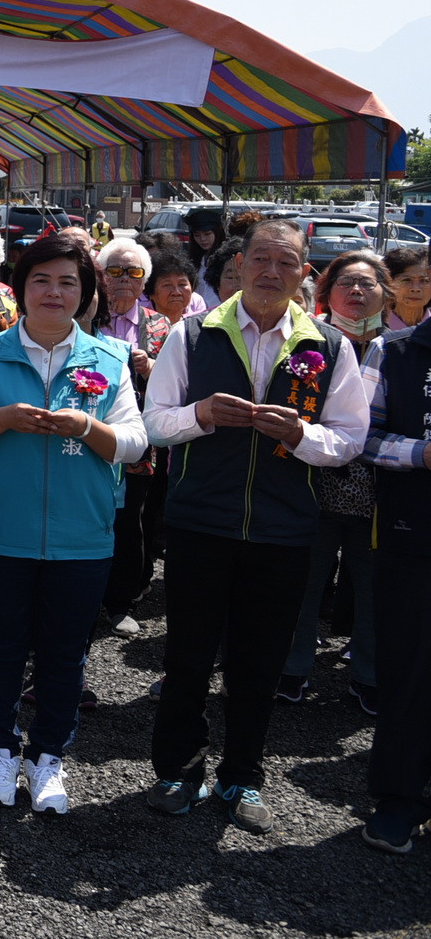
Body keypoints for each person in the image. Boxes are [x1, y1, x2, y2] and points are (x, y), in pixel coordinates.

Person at [142, 218, 371, 832]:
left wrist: (301, 435)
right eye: (260, 259)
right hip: (200, 521)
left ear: (304, 273)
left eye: (286, 262)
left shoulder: (329, 346)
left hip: (283, 528)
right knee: (188, 656)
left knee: (259, 662)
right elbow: (155, 421)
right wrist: (200, 414)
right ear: (239, 266)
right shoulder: (194, 334)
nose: (272, 272)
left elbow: (349, 439)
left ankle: (242, 775)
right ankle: (176, 770)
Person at [0, 233, 147, 813]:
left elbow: (134, 442)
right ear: (21, 288)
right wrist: (2, 418)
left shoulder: (109, 360)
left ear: (85, 294)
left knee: (64, 655)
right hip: (0, 531)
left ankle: (49, 756)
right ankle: (0, 750)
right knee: (1, 648)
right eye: (41, 280)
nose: (54, 292)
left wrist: (88, 427)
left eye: (67, 283)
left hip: (82, 536)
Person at [280, 250, 387, 713]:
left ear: (385, 292)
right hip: (313, 486)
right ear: (327, 291)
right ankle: (292, 668)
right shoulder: (307, 340)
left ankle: (368, 674)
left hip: (379, 494)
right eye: (346, 283)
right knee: (304, 583)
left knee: (373, 588)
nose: (356, 291)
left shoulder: (399, 347)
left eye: (367, 283)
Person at [360, 309, 431, 852]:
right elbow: (362, 436)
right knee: (408, 671)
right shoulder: (394, 350)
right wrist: (421, 453)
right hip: (413, 536)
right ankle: (398, 799)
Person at [92, 238, 172, 635]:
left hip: (139, 436)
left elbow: (175, 382)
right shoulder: (88, 316)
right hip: (91, 431)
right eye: (115, 271)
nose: (125, 279)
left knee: (131, 519)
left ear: (144, 281)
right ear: (102, 277)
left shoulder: (159, 325)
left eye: (134, 272)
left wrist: (150, 366)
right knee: (91, 511)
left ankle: (121, 601)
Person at [385, 246, 431, 331]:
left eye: (424, 280)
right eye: (407, 280)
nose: (416, 288)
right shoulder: (374, 331)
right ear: (389, 283)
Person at [146, 251, 200, 324]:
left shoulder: (198, 326)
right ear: (151, 292)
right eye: (167, 285)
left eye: (182, 284)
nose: (176, 292)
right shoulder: (141, 327)